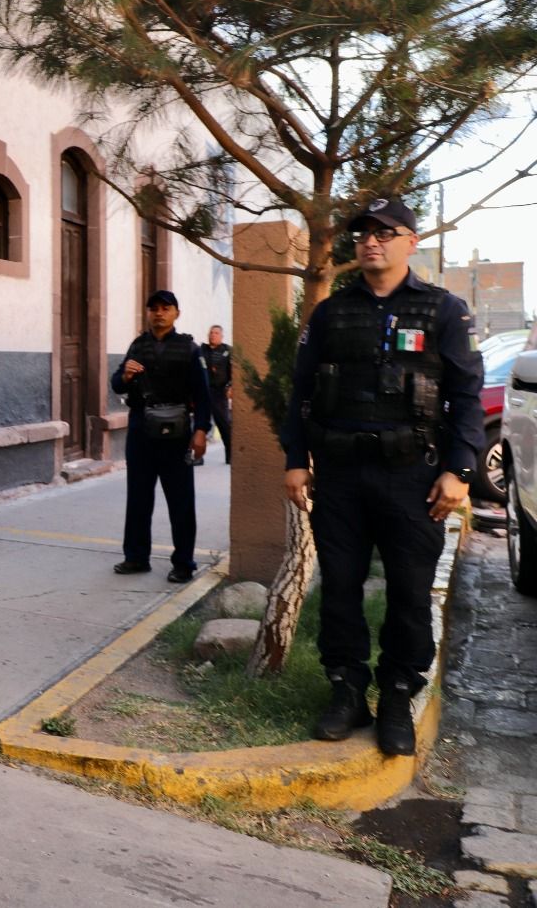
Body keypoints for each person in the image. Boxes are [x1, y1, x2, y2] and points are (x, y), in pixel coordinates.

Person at [282, 196, 482, 756]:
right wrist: (295, 458)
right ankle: (347, 690)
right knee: (341, 588)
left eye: (386, 232)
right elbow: (299, 392)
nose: (372, 240)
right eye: (364, 233)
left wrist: (459, 470)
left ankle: (397, 694)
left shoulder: (443, 310)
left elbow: (467, 396)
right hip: (341, 475)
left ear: (410, 242)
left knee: (409, 594)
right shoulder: (330, 312)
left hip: (411, 477)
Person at [110, 290, 212, 583]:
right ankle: (136, 557)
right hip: (141, 431)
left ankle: (183, 563)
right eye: (154, 308)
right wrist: (125, 377)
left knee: (181, 501)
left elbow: (203, 397)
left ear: (176, 313)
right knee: (138, 498)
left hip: (178, 433)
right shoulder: (137, 346)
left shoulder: (189, 349)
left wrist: (201, 431)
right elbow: (117, 384)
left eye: (165, 308)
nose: (159, 313)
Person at [202, 325, 233, 464]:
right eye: (211, 333)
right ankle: (197, 456)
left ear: (221, 336)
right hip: (204, 391)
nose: (213, 335)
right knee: (200, 424)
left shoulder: (227, 351)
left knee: (224, 425)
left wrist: (231, 387)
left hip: (220, 392)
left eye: (216, 333)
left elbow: (233, 371)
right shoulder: (202, 350)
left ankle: (230, 455)